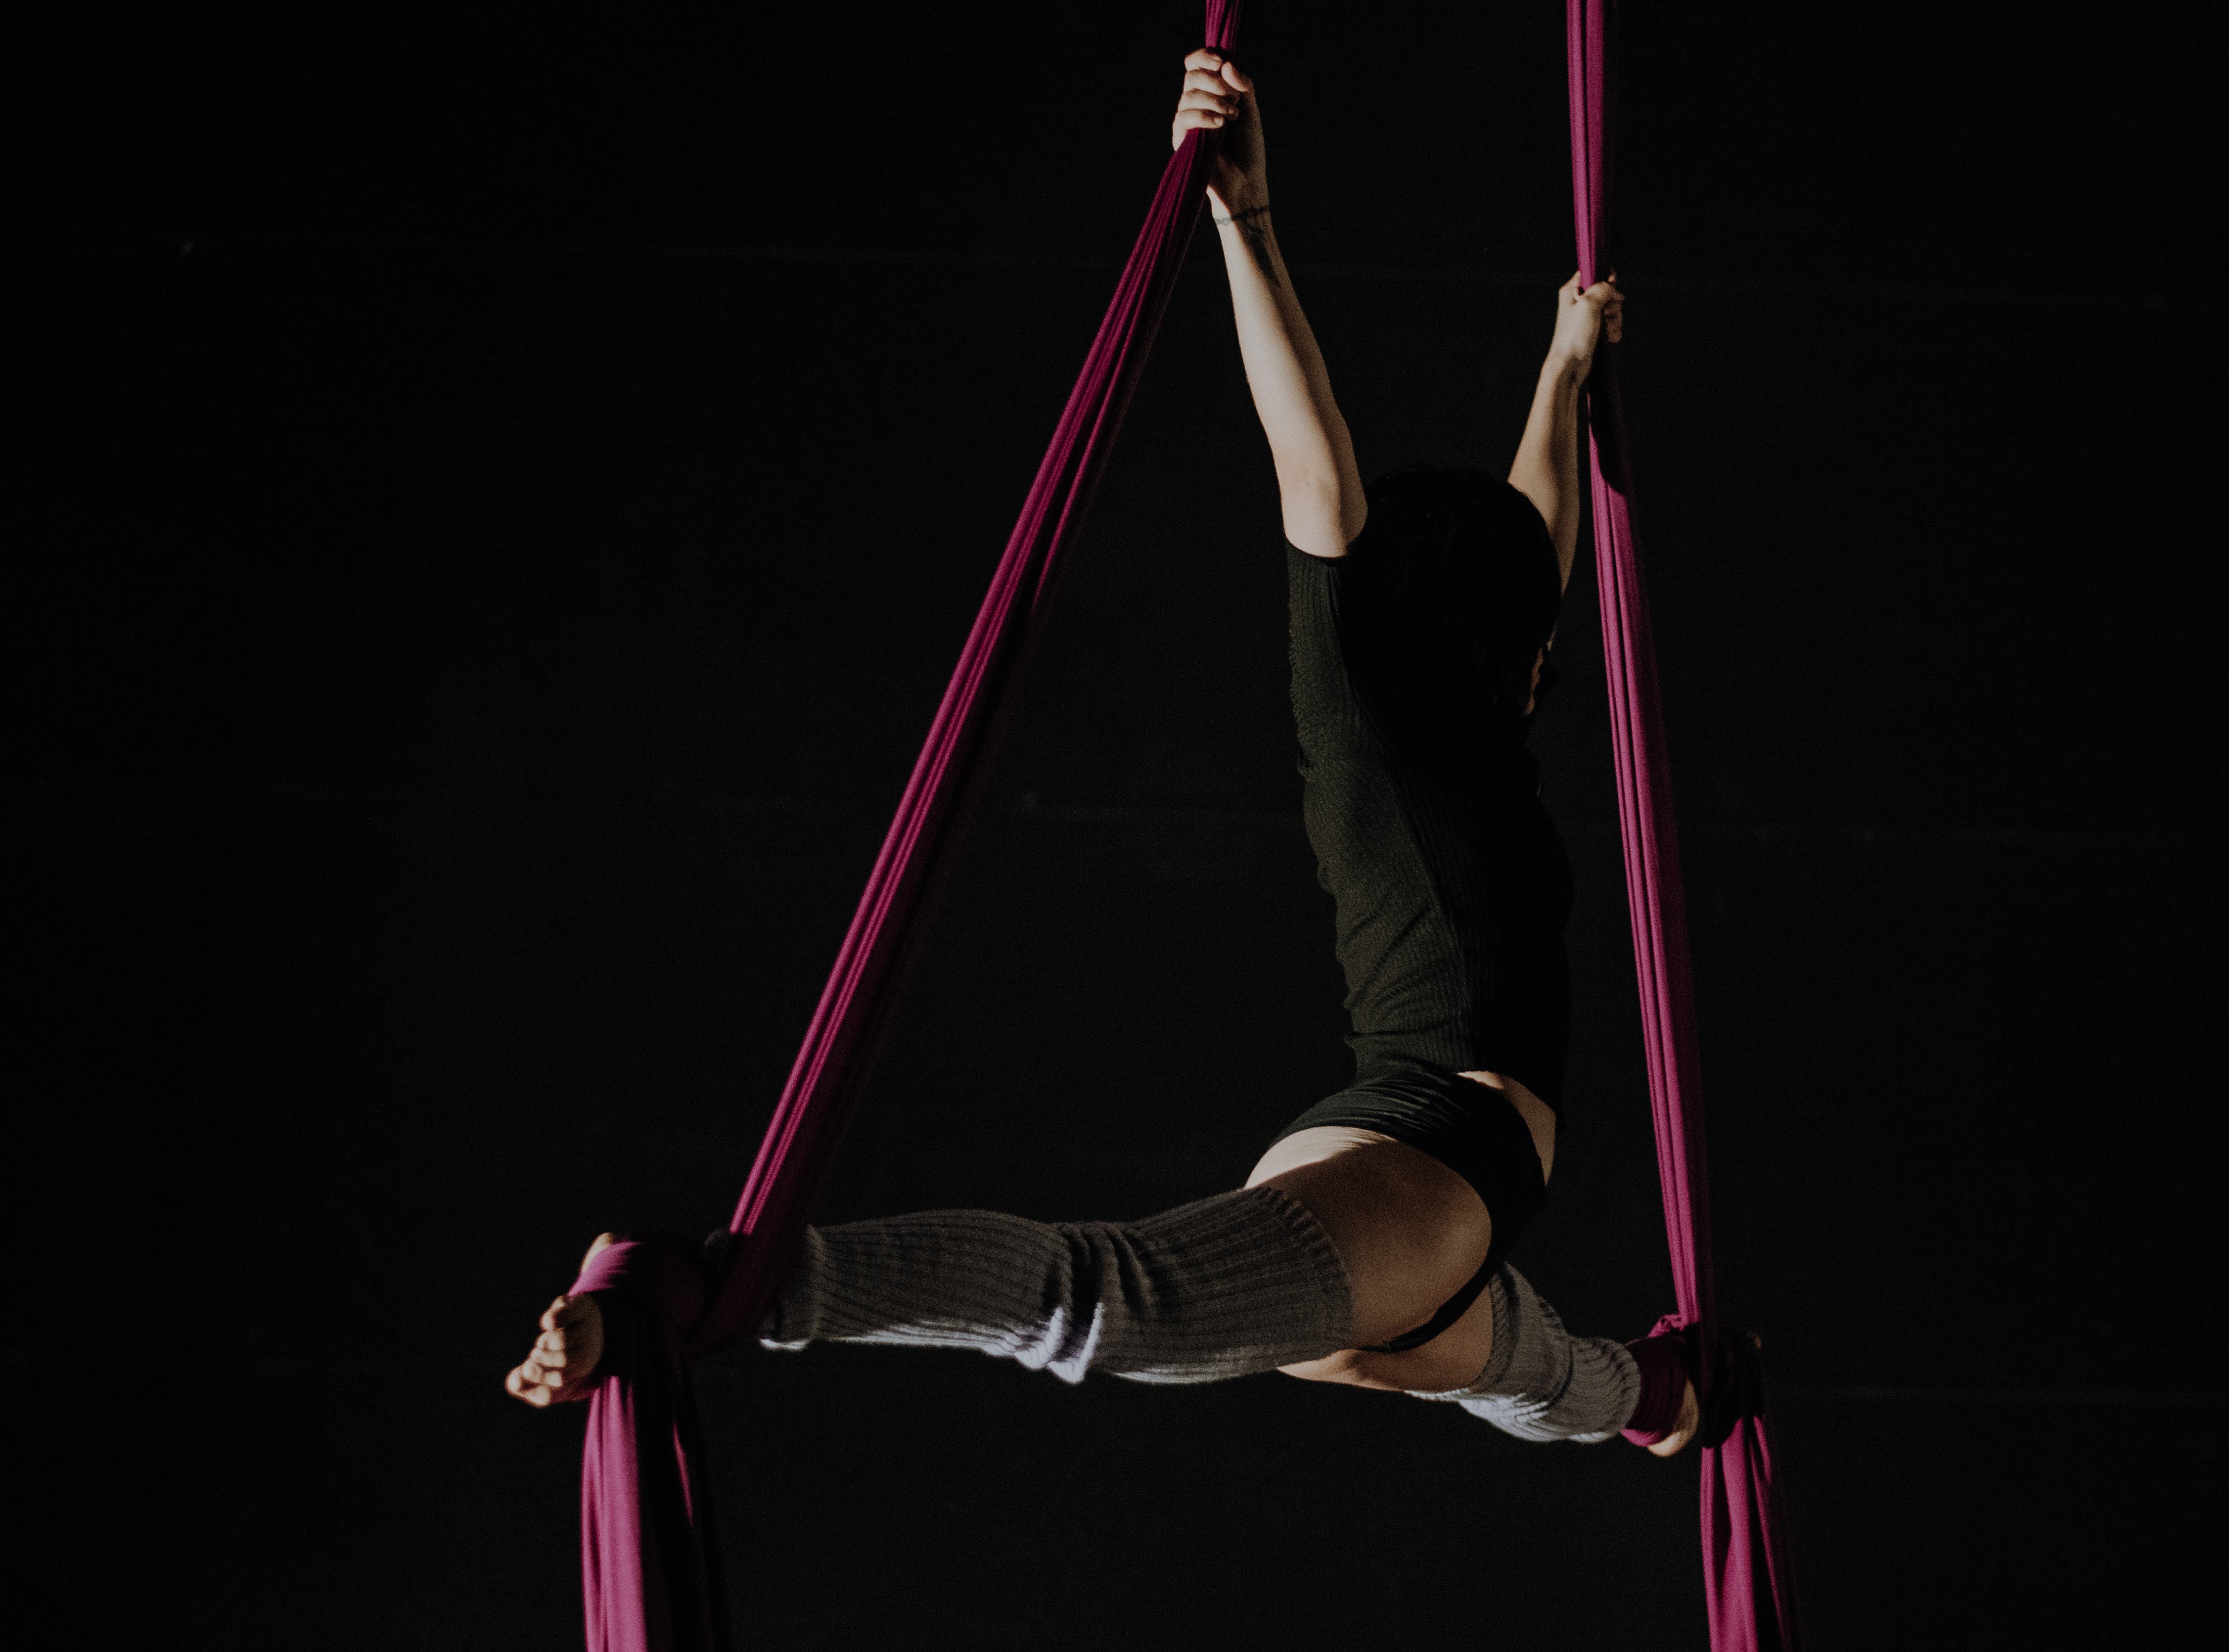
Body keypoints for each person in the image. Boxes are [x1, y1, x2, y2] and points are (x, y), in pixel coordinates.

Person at [508, 48, 1711, 1456]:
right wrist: (1245, 219)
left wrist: (1564, 371)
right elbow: (1315, 469)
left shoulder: (1481, 730)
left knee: (1560, 1384)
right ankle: (714, 1284)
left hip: (1423, 1188)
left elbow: (1536, 544)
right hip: (1426, 1159)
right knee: (1110, 1295)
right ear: (1498, 649)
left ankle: (1656, 1400)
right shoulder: (1368, 706)